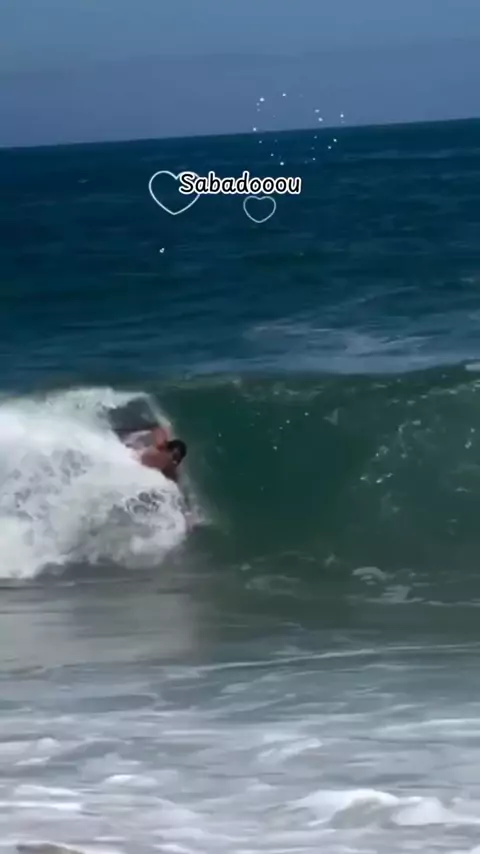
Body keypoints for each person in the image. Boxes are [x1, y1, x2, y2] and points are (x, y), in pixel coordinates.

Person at [117, 424, 187, 483]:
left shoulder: (171, 469)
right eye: (174, 456)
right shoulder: (156, 448)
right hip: (132, 445)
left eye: (177, 460)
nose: (173, 461)